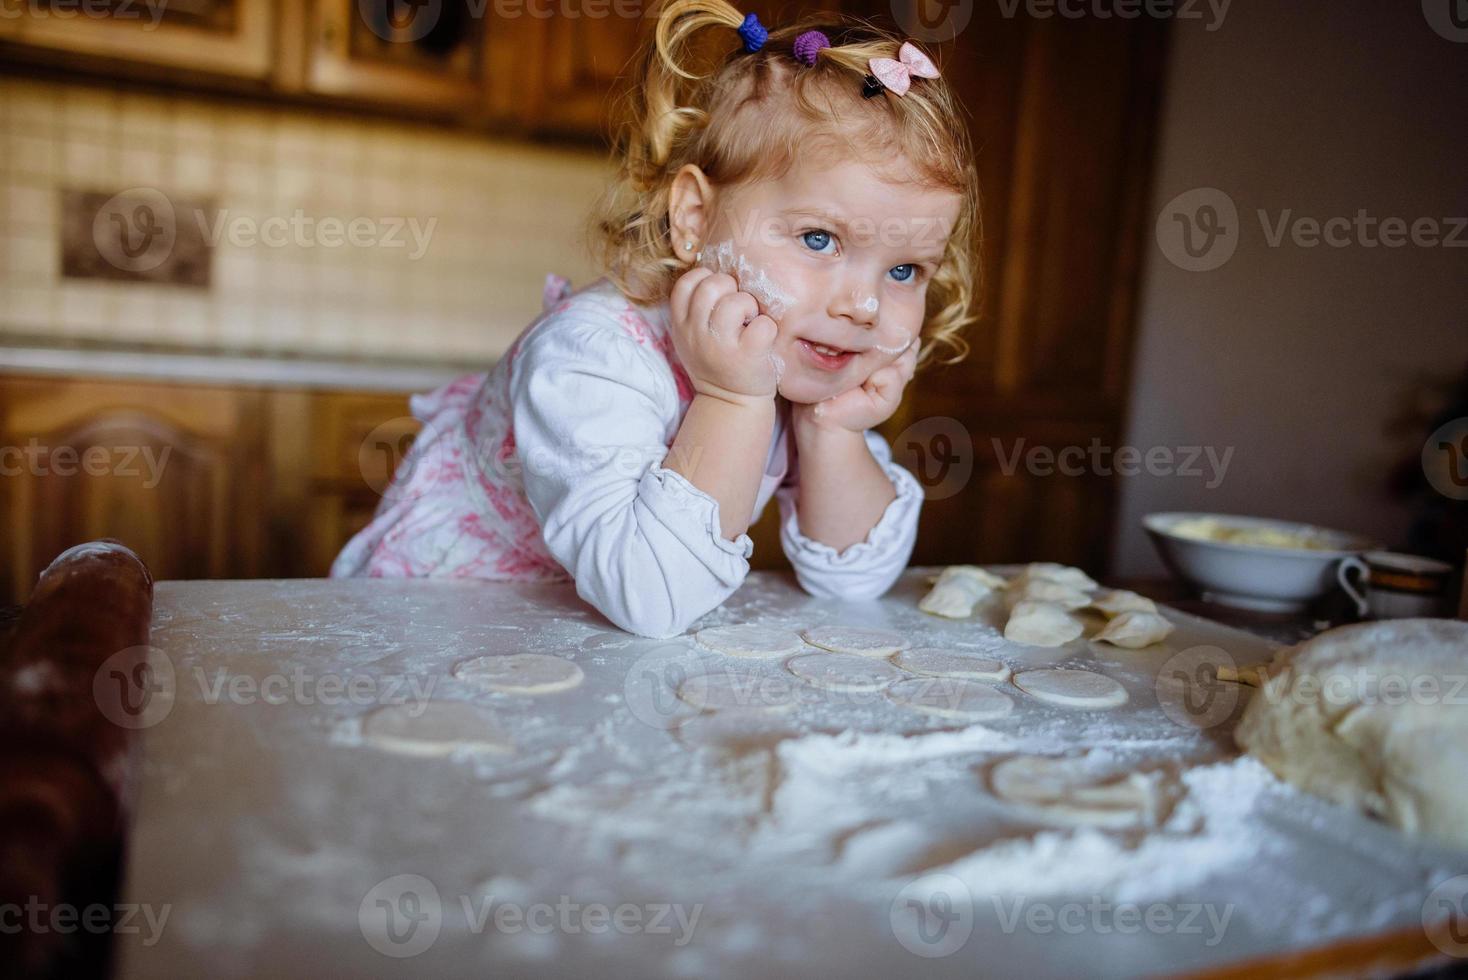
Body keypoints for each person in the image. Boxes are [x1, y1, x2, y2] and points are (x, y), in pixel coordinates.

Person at [332, 0, 981, 638]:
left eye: (903, 271)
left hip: (576, 652)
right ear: (694, 218)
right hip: (435, 627)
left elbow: (855, 582)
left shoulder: (800, 362)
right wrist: (731, 401)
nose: (862, 307)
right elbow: (649, 598)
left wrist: (832, 433)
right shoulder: (591, 354)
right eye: (818, 239)